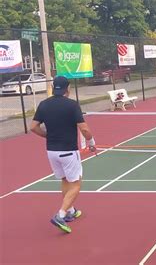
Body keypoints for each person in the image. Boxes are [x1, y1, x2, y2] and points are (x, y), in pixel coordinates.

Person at [30, 76, 96, 234]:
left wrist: (47, 135)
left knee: (65, 180)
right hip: (68, 151)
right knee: (76, 185)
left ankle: (70, 211)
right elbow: (84, 129)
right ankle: (60, 215)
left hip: (51, 151)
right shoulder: (72, 105)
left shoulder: (44, 104)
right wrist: (91, 142)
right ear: (68, 89)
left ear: (54, 87)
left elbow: (33, 126)